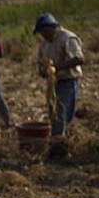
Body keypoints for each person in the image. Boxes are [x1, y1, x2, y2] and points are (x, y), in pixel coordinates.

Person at [34, 12, 84, 141]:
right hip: (54, 82)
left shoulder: (67, 38)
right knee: (55, 112)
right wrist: (43, 71)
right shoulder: (44, 43)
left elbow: (78, 59)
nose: (42, 35)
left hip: (68, 79)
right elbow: (41, 62)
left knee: (61, 112)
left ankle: (58, 141)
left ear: (50, 28)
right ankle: (61, 136)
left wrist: (56, 68)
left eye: (43, 32)